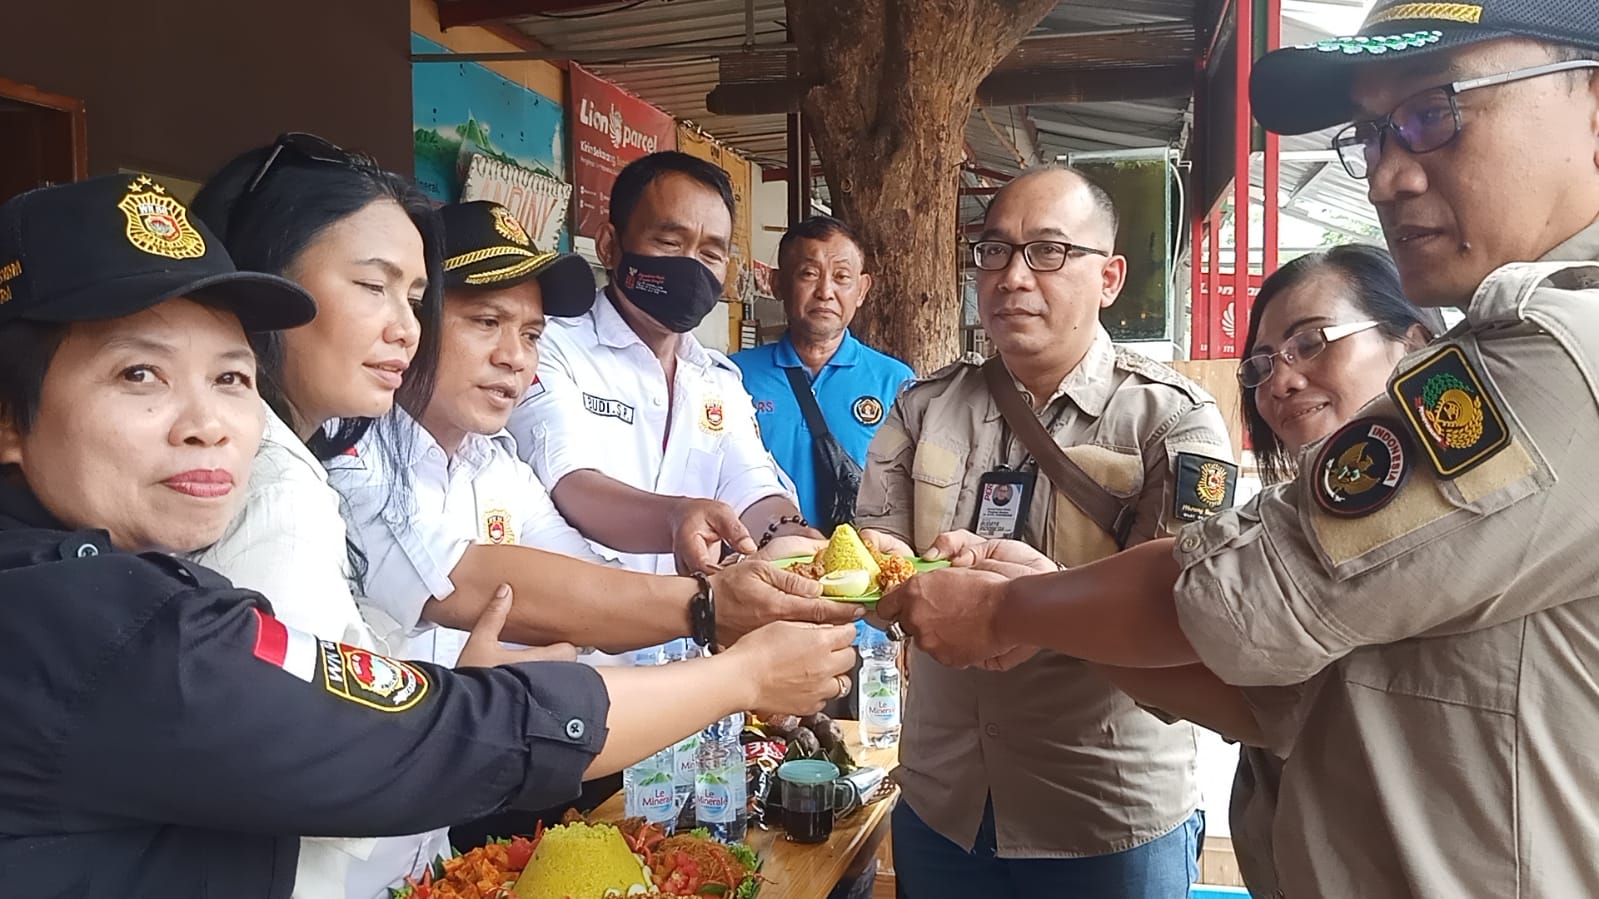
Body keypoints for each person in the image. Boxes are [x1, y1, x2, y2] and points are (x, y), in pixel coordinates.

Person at [878, 5, 1599, 895]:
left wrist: (1009, 609)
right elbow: (1281, 695)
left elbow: (1242, 606)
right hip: (948, 792)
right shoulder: (928, 400)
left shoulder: (1557, 353)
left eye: (1430, 111)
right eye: (1370, 133)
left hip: (1097, 806)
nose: (1387, 173)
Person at [0, 174, 858, 899]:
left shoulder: (139, 555)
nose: (210, 424)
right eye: (138, 374)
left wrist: (725, 606)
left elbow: (558, 576)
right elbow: (406, 707)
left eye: (230, 379)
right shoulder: (191, 559)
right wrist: (727, 648)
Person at [855, 165, 1237, 898]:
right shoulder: (924, 406)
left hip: (1102, 815)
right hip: (943, 807)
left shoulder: (1171, 420)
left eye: (1049, 251)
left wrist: (1038, 602)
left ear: (1110, 277)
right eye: (995, 251)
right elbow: (876, 565)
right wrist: (919, 576)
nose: (1012, 276)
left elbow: (1195, 612)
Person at [1227, 245, 1440, 897]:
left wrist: (1021, 606)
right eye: (1261, 364)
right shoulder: (1280, 517)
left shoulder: (1447, 514)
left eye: (1312, 342)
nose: (1280, 381)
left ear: (1412, 341)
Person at [507, 150, 821, 583]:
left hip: (692, 640)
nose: (690, 266)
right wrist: (675, 518)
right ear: (610, 246)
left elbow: (751, 486)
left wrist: (797, 541)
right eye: (670, 243)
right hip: (578, 640)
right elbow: (569, 480)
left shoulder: (718, 381)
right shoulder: (548, 346)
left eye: (711, 253)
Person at [730, 215, 914, 532]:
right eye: (808, 274)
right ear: (777, 284)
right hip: (759, 564)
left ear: (862, 289)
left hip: (863, 569)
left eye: (842, 277)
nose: (825, 291)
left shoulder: (895, 382)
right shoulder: (733, 377)